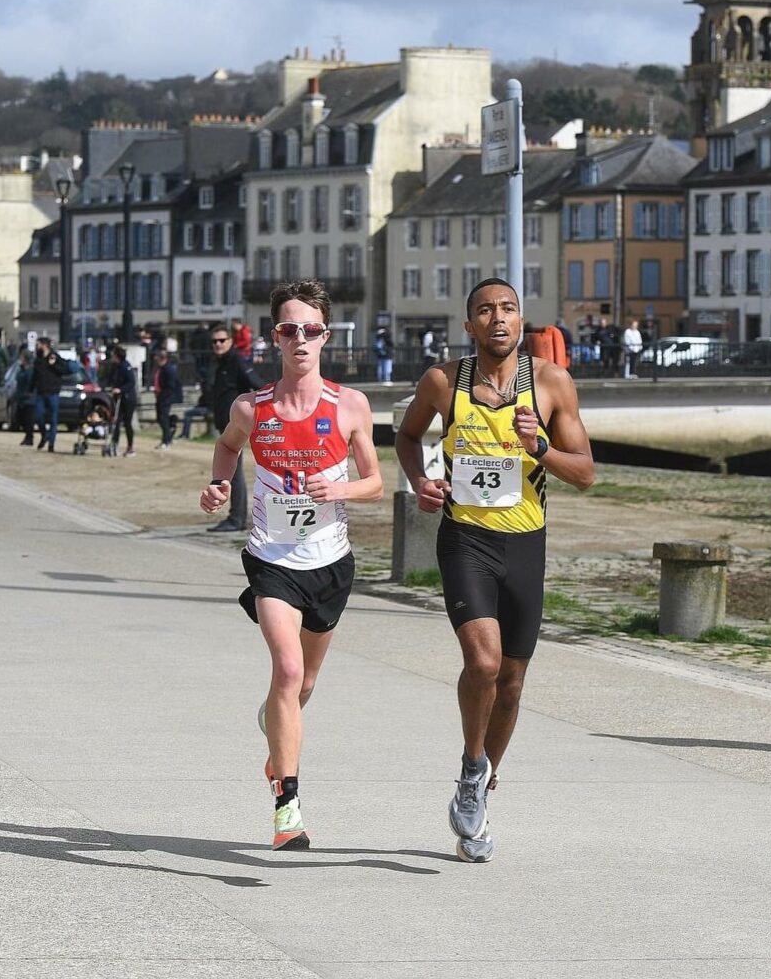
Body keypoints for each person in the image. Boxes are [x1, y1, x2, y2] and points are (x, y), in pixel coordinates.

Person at [395, 277, 595, 864]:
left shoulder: (552, 383)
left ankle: (479, 777)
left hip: (526, 545)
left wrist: (539, 450)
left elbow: (584, 473)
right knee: (481, 662)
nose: (498, 319)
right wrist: (419, 480)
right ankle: (469, 772)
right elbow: (407, 436)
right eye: (486, 310)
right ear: (470, 325)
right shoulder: (442, 383)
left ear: (520, 319)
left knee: (511, 681)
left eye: (507, 308)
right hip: (465, 540)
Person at [199, 278, 382, 850]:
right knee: (287, 670)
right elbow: (227, 447)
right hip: (271, 559)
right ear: (274, 338)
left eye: (310, 329)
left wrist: (340, 491)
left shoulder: (349, 405)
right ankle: (287, 809)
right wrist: (217, 485)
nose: (299, 339)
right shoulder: (251, 408)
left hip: (330, 563)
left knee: (305, 685)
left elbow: (375, 483)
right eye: (288, 329)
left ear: (325, 336)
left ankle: (278, 736)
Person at [206, 324, 262, 531]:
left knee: (233, 474)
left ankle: (236, 519)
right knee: (230, 473)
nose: (218, 345)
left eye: (222, 340)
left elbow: (257, 384)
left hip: (236, 427)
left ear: (230, 341)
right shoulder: (218, 363)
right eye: (214, 341)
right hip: (224, 426)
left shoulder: (236, 361)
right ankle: (235, 517)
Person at [32, 336, 67, 452]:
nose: (36, 346)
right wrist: (30, 388)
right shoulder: (38, 359)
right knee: (38, 416)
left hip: (53, 392)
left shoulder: (54, 357)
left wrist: (53, 365)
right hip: (41, 392)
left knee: (53, 419)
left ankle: (51, 443)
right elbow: (35, 375)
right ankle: (44, 435)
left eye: (38, 344)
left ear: (44, 345)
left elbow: (63, 370)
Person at [107, 345, 139, 457]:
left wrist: (120, 389)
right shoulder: (114, 367)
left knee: (127, 422)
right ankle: (114, 444)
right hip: (118, 398)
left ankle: (130, 447)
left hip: (128, 398)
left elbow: (131, 383)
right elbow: (110, 379)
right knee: (116, 421)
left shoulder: (126, 367)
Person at [152, 348, 183, 450]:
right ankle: (172, 425)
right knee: (160, 418)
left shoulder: (169, 369)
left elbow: (171, 386)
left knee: (163, 418)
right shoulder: (161, 369)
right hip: (160, 396)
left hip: (166, 397)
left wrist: (163, 395)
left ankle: (166, 440)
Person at [15, 350, 36, 445]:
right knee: (21, 418)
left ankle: (29, 437)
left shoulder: (30, 370)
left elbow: (29, 381)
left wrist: (29, 393)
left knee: (28, 420)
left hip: (29, 398)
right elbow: (17, 378)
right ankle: (28, 436)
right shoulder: (22, 369)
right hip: (22, 398)